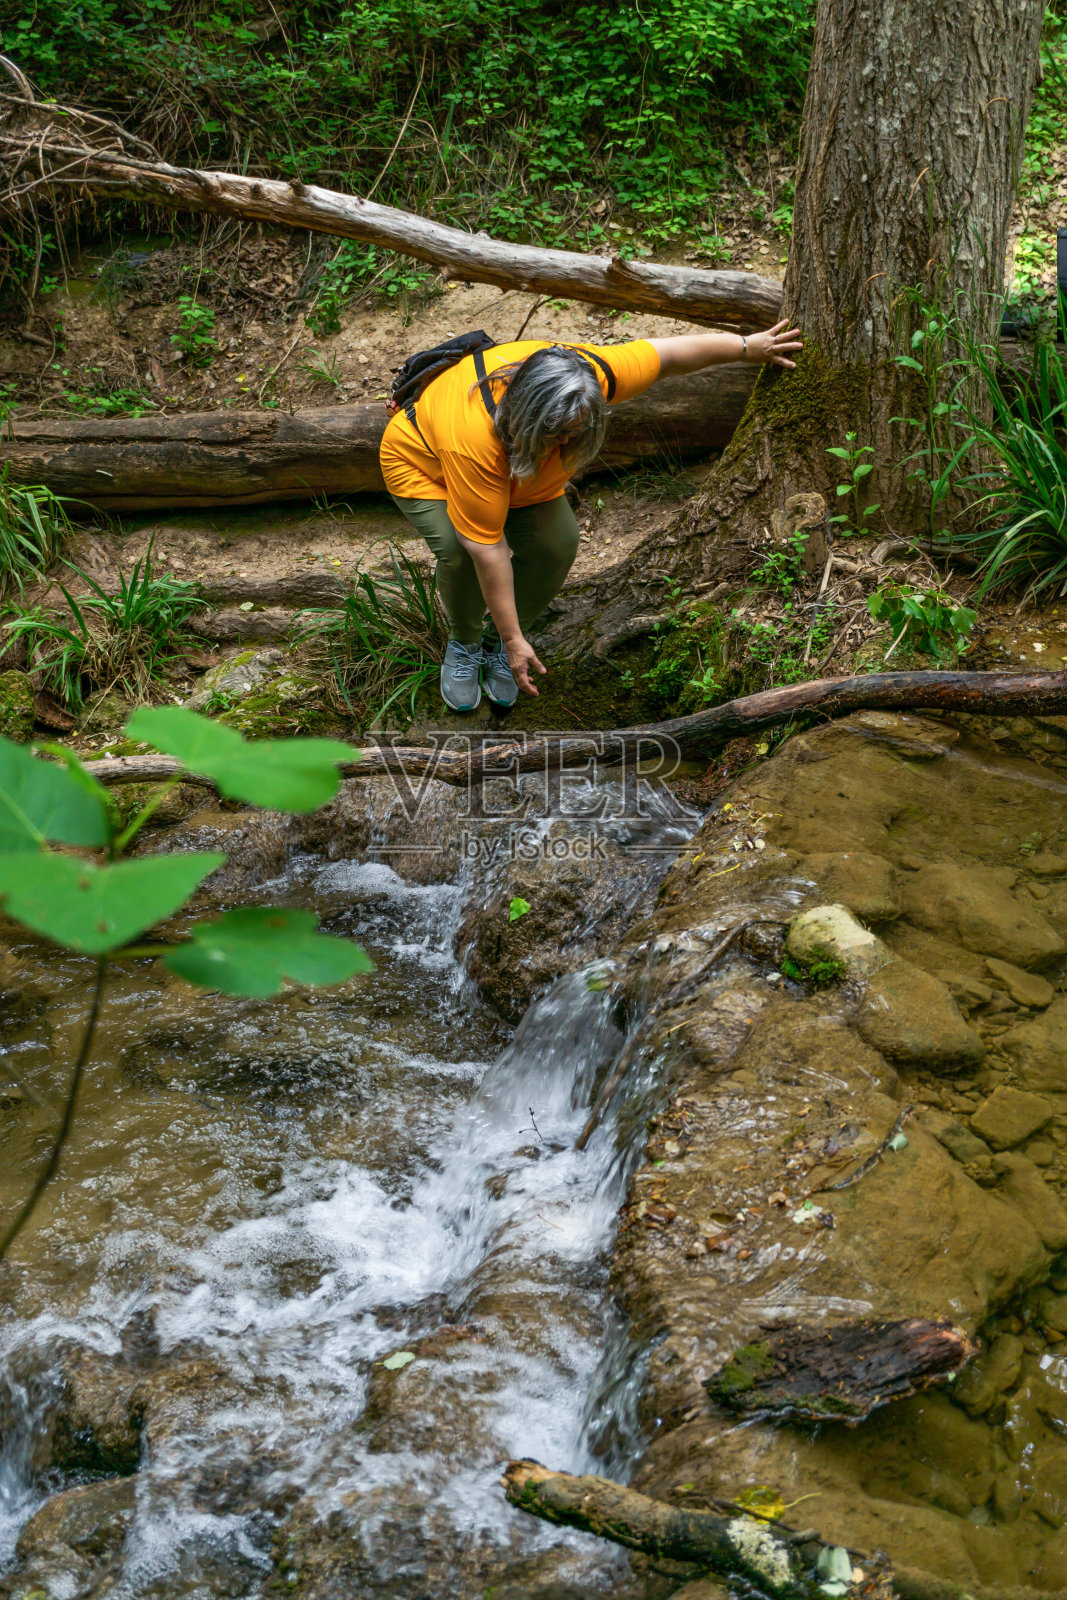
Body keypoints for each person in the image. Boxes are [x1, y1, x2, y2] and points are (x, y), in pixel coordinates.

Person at [380, 320, 803, 710]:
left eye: (576, 432)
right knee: (458, 551)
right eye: (557, 433)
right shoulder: (473, 437)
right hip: (425, 464)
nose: (567, 441)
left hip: (521, 469)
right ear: (526, 416)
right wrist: (515, 639)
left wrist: (749, 346)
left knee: (557, 543)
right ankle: (467, 644)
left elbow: (667, 355)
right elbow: (488, 549)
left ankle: (502, 647)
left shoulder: (588, 376)